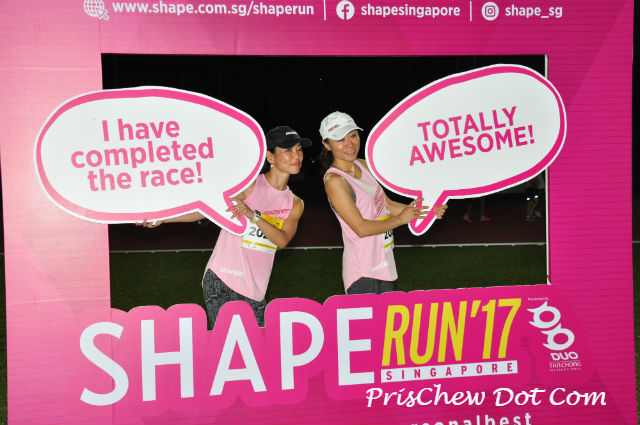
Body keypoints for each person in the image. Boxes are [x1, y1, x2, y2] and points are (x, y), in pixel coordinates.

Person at [139, 126, 311, 328]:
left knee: (255, 346)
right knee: (229, 344)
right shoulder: (249, 186)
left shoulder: (295, 203)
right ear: (270, 157)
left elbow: (281, 240)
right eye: (288, 150)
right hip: (223, 278)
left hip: (256, 290)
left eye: (299, 149)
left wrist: (254, 216)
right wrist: (163, 218)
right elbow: (206, 211)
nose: (296, 155)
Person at [319, 111, 447, 295]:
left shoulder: (363, 165)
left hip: (383, 263)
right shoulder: (334, 181)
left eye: (353, 135)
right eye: (340, 139)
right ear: (327, 144)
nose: (350, 144)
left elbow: (387, 205)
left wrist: (429, 210)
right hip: (362, 271)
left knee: (390, 314)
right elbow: (360, 228)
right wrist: (400, 220)